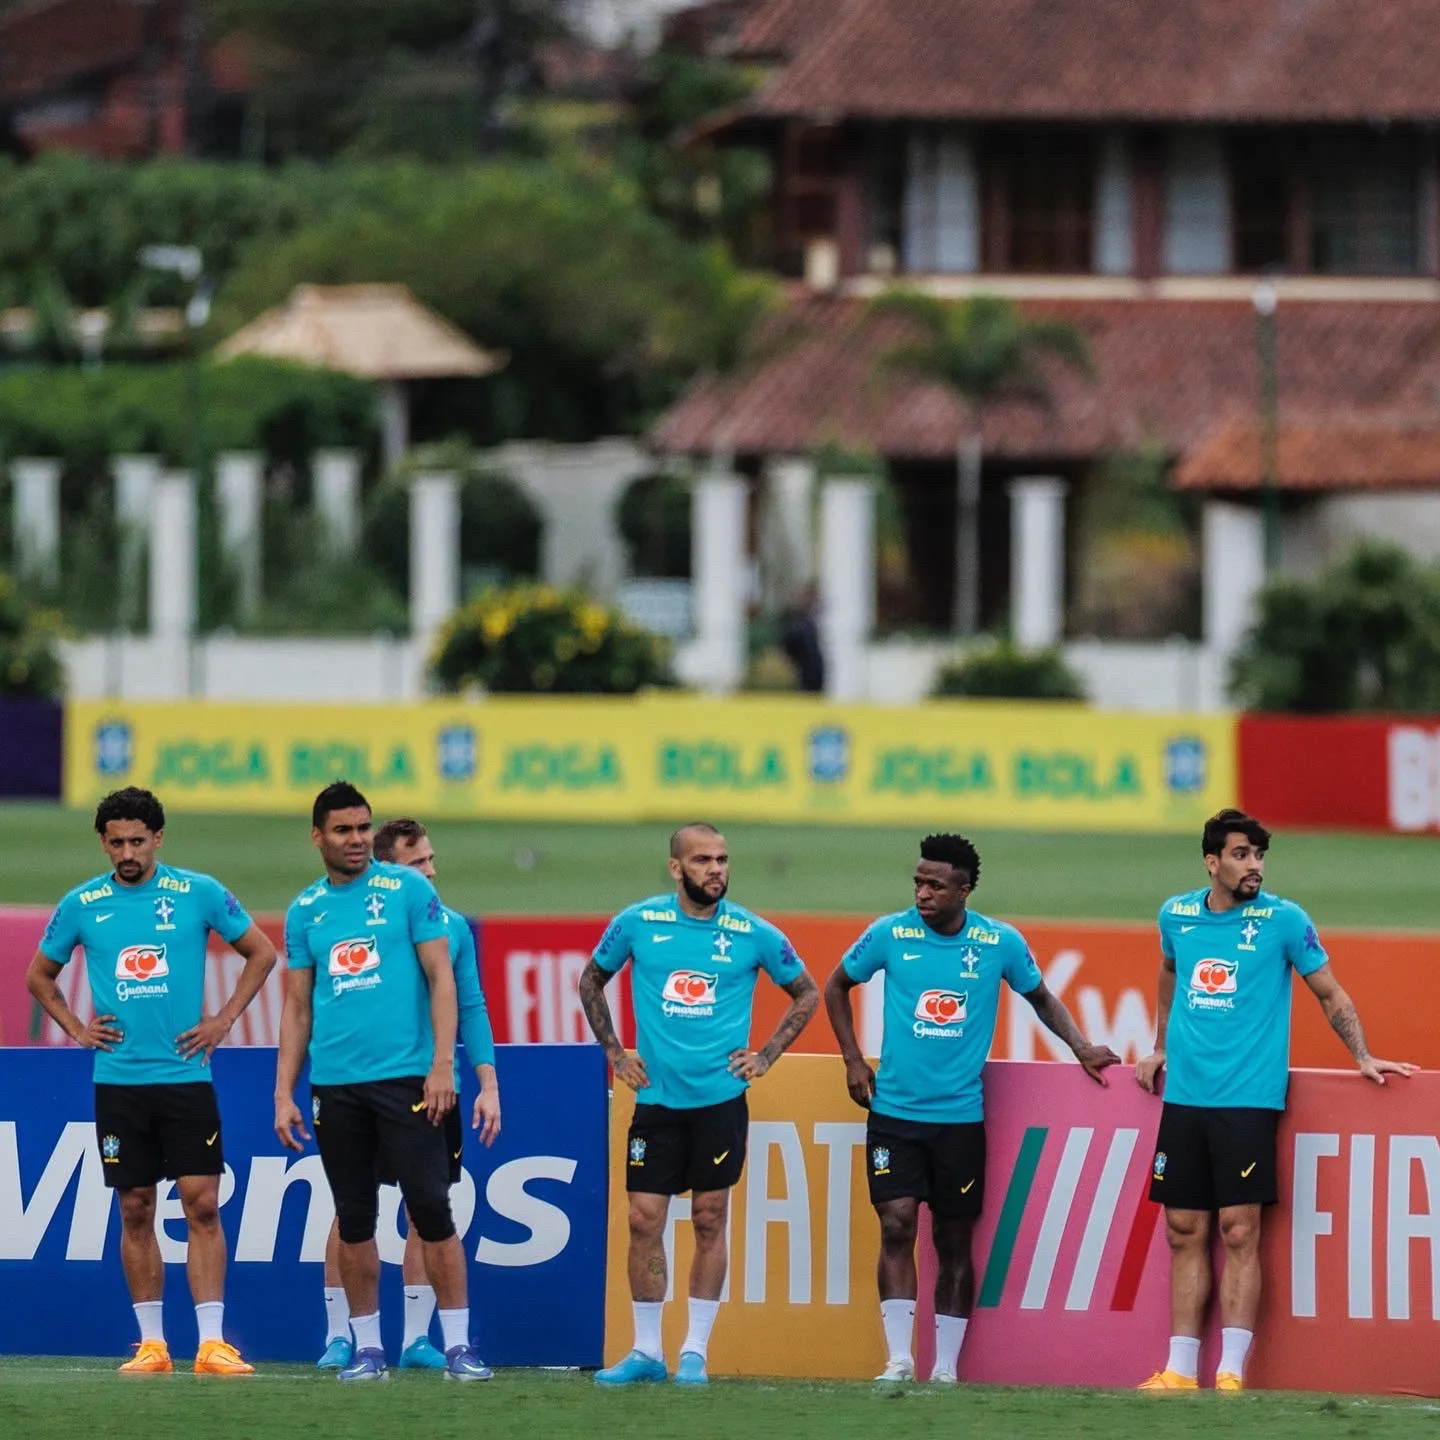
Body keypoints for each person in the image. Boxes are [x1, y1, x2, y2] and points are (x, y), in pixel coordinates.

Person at [1135, 808, 1416, 1394]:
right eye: (1241, 855)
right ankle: (1180, 1370)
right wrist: (1158, 1045)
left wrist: (1362, 1055)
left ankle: (1232, 1370)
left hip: (1248, 1099)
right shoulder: (1176, 915)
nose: (1254, 865)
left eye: (1259, 855)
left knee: (1239, 1229)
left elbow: (1330, 993)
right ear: (1213, 862)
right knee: (1183, 1228)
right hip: (1185, 1097)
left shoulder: (1284, 921)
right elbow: (1168, 972)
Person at [824, 832, 1119, 1385]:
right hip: (894, 1114)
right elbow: (837, 986)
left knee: (953, 1239)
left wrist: (1081, 1047)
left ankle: (946, 1368)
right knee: (896, 1225)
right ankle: (898, 1360)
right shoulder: (890, 934)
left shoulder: (998, 942)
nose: (922, 893)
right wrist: (852, 1060)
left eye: (935, 885)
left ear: (964, 889)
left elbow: (1041, 997)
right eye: (917, 882)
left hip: (959, 1119)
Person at [25, 786, 277, 1376]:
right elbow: (39, 975)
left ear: (158, 839)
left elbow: (261, 953)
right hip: (118, 1080)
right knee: (134, 1206)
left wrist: (223, 1019)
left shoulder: (198, 892)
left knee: (202, 1203)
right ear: (104, 843)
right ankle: (152, 1345)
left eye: (138, 840)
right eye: (116, 842)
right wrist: (76, 1028)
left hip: (186, 1076)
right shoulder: (83, 903)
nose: (127, 852)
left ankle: (212, 1343)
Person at [578, 822, 819, 1387]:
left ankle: (694, 1352)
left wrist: (766, 1055)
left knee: (710, 1218)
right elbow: (591, 980)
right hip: (658, 1102)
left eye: (723, 859)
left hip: (719, 1104)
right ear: (676, 868)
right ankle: (644, 1351)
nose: (717, 869)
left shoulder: (753, 932)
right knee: (644, 1220)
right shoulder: (639, 923)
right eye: (704, 860)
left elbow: (807, 991)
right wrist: (614, 1052)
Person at [274, 781, 490, 1384]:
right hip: (336, 1087)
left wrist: (443, 1064)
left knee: (432, 1210)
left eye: (364, 828)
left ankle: (457, 1346)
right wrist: (282, 1090)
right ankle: (366, 1348)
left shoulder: (407, 890)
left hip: (407, 1082)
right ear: (318, 837)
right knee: (355, 1217)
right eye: (343, 830)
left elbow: (443, 979)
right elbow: (296, 1007)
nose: (357, 840)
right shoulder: (304, 910)